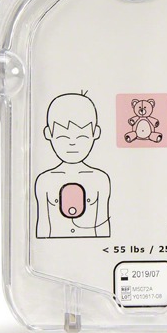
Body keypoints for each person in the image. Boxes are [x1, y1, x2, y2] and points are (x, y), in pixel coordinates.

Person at [35, 93, 111, 238]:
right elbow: (43, 226)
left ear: (95, 133)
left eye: (82, 137)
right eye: (63, 137)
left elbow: (102, 226)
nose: (72, 144)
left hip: (92, 250)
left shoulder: (100, 179)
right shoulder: (45, 180)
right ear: (48, 134)